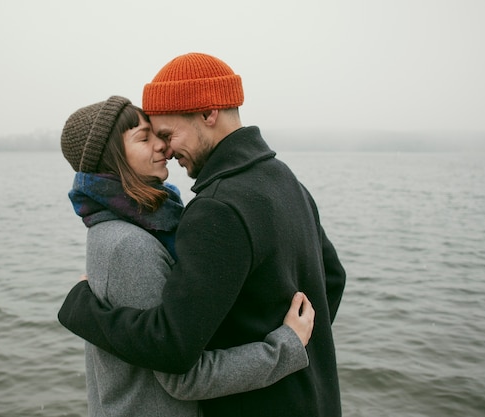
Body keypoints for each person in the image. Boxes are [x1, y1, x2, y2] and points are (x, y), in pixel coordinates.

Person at [59, 52, 346, 417]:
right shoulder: (285, 178)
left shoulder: (217, 207)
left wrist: (84, 312)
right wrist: (298, 345)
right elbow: (333, 279)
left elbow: (171, 346)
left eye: (166, 134)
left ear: (209, 113)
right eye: (150, 137)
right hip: (315, 398)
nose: (166, 147)